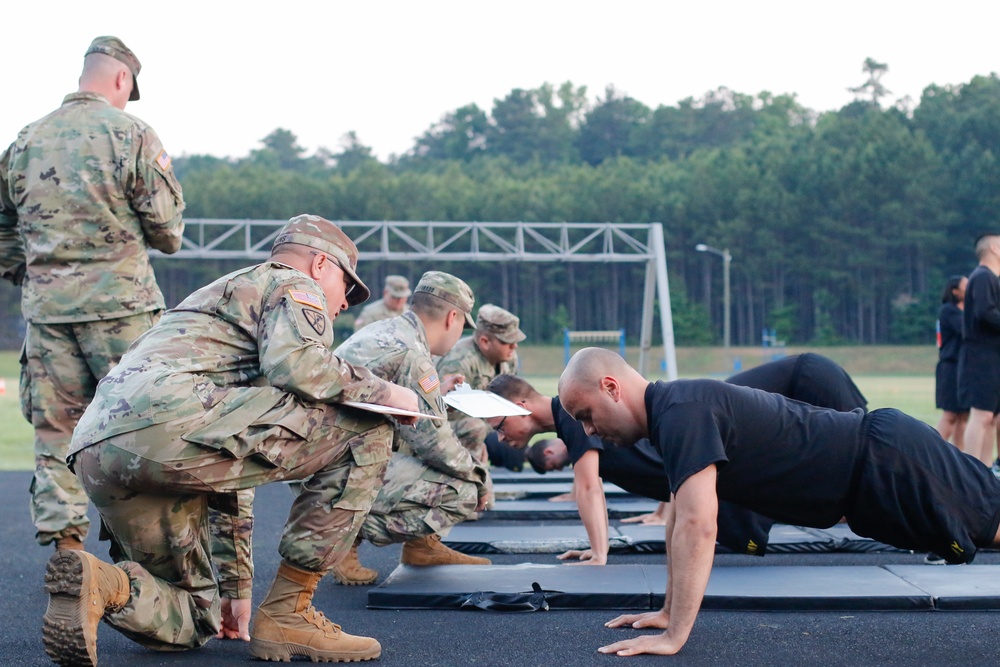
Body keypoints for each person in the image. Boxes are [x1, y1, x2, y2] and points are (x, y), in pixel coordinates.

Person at [44, 215, 420, 666]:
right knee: (369, 425)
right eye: (347, 286)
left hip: (98, 446)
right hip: (170, 428)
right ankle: (290, 612)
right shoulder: (293, 286)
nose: (344, 304)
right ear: (320, 264)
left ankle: (105, 583)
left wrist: (235, 589)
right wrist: (388, 394)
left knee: (194, 614)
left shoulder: (213, 300)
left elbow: (236, 458)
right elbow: (302, 368)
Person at [558, 347, 1000, 658]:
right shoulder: (672, 416)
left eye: (586, 416)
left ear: (612, 387)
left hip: (889, 462)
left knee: (993, 526)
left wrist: (676, 635)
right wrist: (667, 611)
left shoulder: (681, 412)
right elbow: (677, 521)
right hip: (872, 487)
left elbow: (699, 526)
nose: (589, 432)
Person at [0, 36, 185, 553]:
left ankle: (69, 554)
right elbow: (168, 233)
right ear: (122, 79)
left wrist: (33, 273)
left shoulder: (25, 140)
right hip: (123, 312)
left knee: (57, 432)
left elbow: (1, 231)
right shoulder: (131, 134)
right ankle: (139, 562)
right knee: (137, 430)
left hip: (48, 314)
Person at [487, 354, 868, 564]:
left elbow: (589, 489)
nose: (502, 437)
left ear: (521, 407)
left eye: (501, 426)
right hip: (722, 479)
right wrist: (661, 513)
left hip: (811, 381)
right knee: (806, 511)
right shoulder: (582, 423)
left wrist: (600, 554)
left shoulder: (572, 416)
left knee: (853, 476)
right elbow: (666, 456)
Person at [331, 271, 493, 586]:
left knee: (435, 451)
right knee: (465, 491)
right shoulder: (412, 353)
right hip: (338, 465)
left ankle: (422, 546)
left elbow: (397, 410)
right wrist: (478, 476)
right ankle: (344, 531)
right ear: (452, 317)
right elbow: (432, 440)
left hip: (331, 451)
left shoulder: (391, 332)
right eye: (463, 325)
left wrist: (438, 395)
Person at [437, 304, 525, 463]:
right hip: (449, 430)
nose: (514, 346)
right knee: (474, 427)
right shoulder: (458, 361)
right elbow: (445, 413)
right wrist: (479, 439)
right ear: (485, 341)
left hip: (485, 426)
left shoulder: (509, 359)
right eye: (507, 341)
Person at [960, 234, 1000, 466]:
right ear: (994, 248)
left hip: (993, 356)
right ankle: (972, 470)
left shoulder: (993, 278)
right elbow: (986, 313)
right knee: (982, 414)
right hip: (981, 357)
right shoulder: (983, 276)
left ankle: (984, 472)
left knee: (993, 416)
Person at [935, 275, 969, 450]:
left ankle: (960, 456)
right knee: (950, 415)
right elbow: (966, 330)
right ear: (955, 291)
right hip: (951, 367)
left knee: (963, 416)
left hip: (964, 368)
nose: (970, 287)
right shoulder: (949, 310)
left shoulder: (966, 310)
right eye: (966, 285)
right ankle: (932, 449)